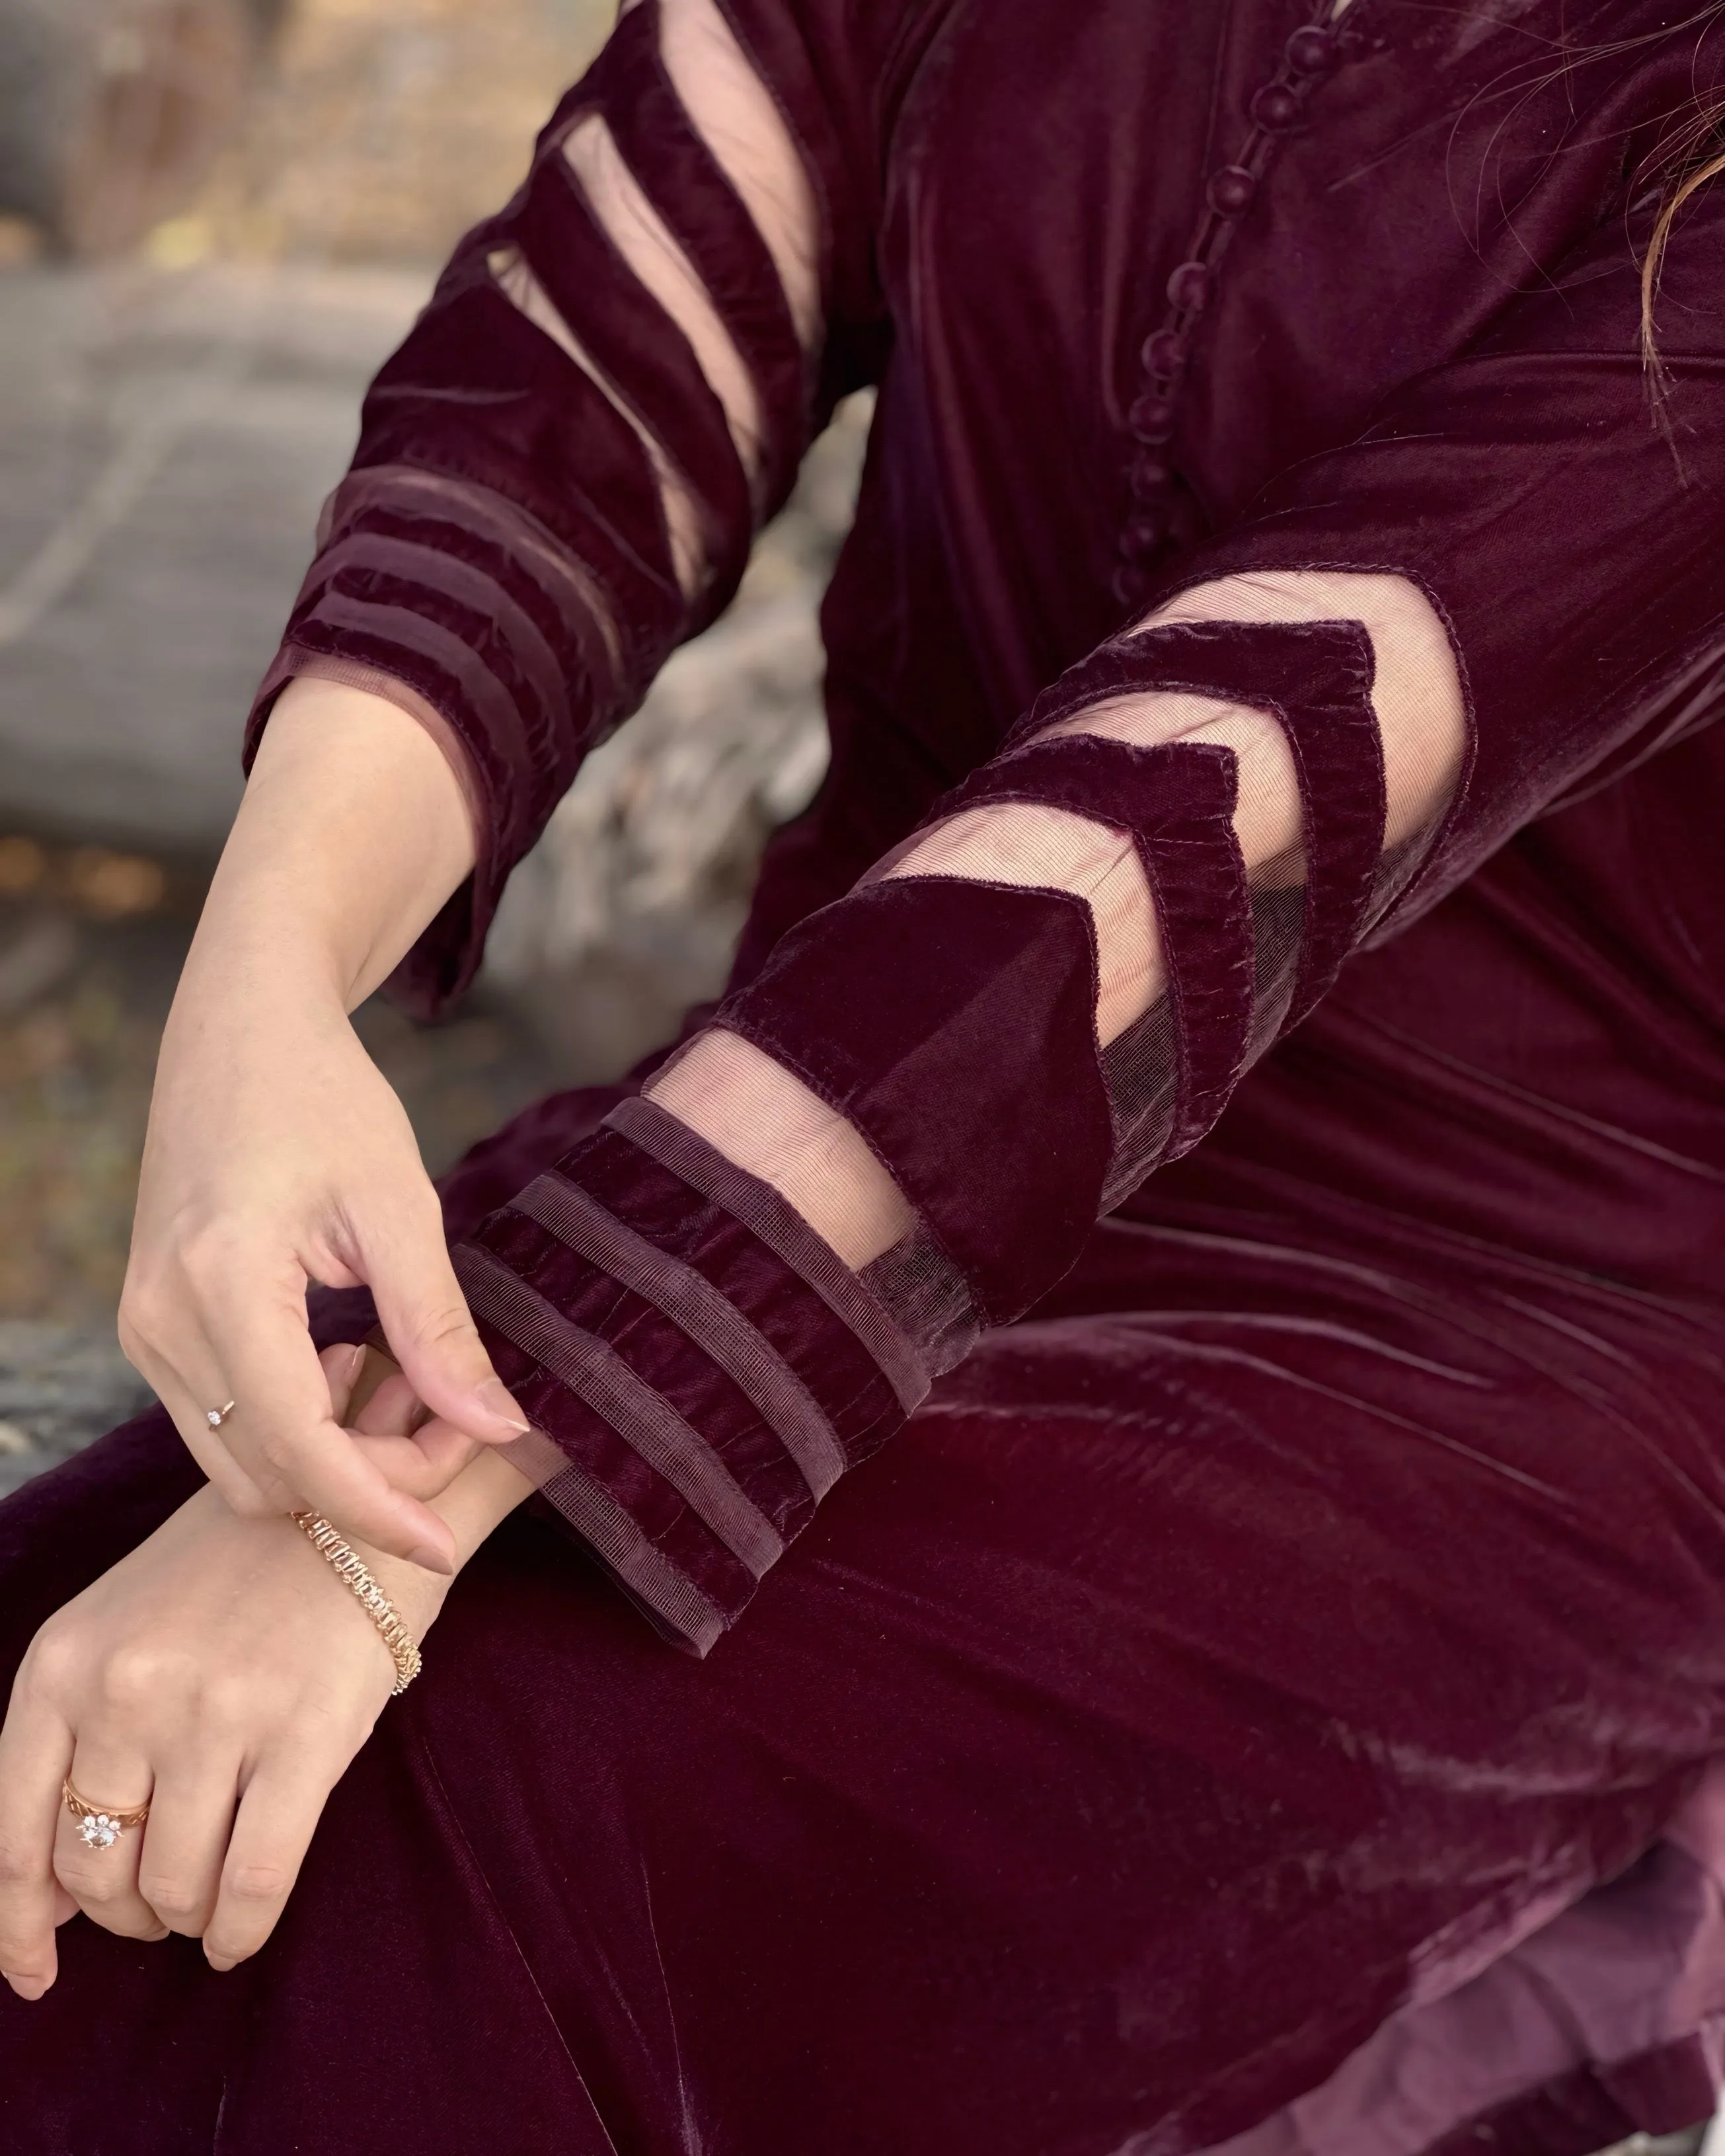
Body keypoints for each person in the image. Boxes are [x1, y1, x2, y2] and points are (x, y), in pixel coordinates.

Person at [6, 0, 1725, 2148]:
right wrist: (259, 997)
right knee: (50, 1728)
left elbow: (1223, 797)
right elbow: (591, 359)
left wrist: (389, 1511)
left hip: (1458, 1344)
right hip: (809, 1133)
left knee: (469, 1855)